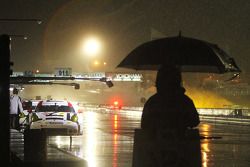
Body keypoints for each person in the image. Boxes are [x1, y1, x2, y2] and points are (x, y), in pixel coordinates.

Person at [141, 65, 200, 136]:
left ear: (159, 82)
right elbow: (195, 121)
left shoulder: (152, 102)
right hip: (181, 143)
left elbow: (144, 124)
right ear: (178, 82)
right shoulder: (185, 101)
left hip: (157, 145)